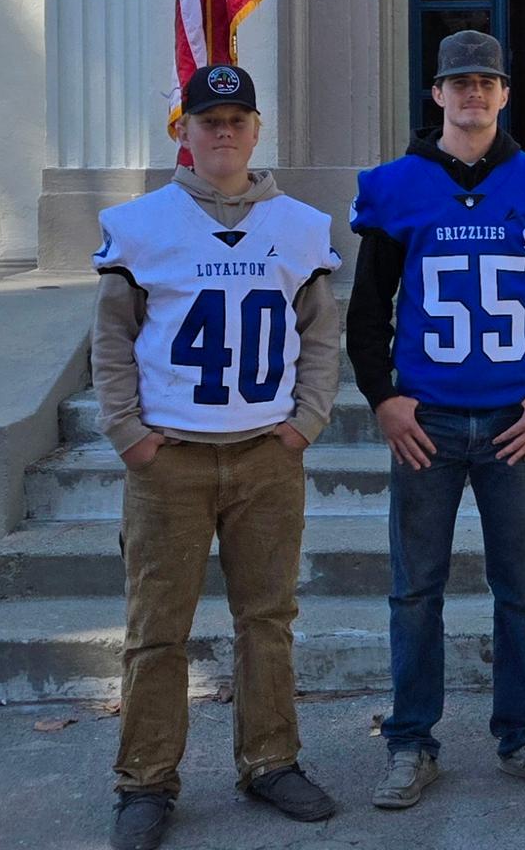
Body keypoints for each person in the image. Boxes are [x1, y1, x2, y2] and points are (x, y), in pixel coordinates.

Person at [92, 62, 341, 850]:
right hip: (171, 460)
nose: (224, 132)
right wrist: (129, 433)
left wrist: (305, 423)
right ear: (186, 132)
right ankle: (145, 782)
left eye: (237, 120)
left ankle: (271, 761)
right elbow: (113, 339)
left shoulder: (300, 226)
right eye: (209, 121)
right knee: (156, 629)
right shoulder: (141, 224)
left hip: (267, 454)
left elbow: (320, 335)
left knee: (266, 619)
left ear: (257, 130)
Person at [346, 29, 525, 808]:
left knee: (521, 590)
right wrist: (384, 398)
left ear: (505, 93)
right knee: (416, 591)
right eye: (460, 82)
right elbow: (367, 310)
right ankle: (411, 741)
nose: (473, 93)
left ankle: (524, 735)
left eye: (486, 81)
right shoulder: (396, 186)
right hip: (430, 422)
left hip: (513, 421)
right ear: (438, 94)